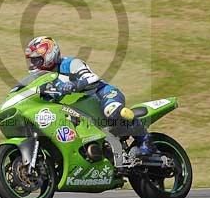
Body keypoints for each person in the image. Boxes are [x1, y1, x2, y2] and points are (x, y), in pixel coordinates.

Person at [24, 35, 155, 155]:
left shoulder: (70, 64)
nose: (34, 64)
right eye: (32, 61)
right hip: (81, 105)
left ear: (48, 55)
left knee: (112, 110)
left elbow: (92, 77)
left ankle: (145, 139)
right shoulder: (45, 78)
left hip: (103, 94)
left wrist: (74, 85)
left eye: (37, 60)